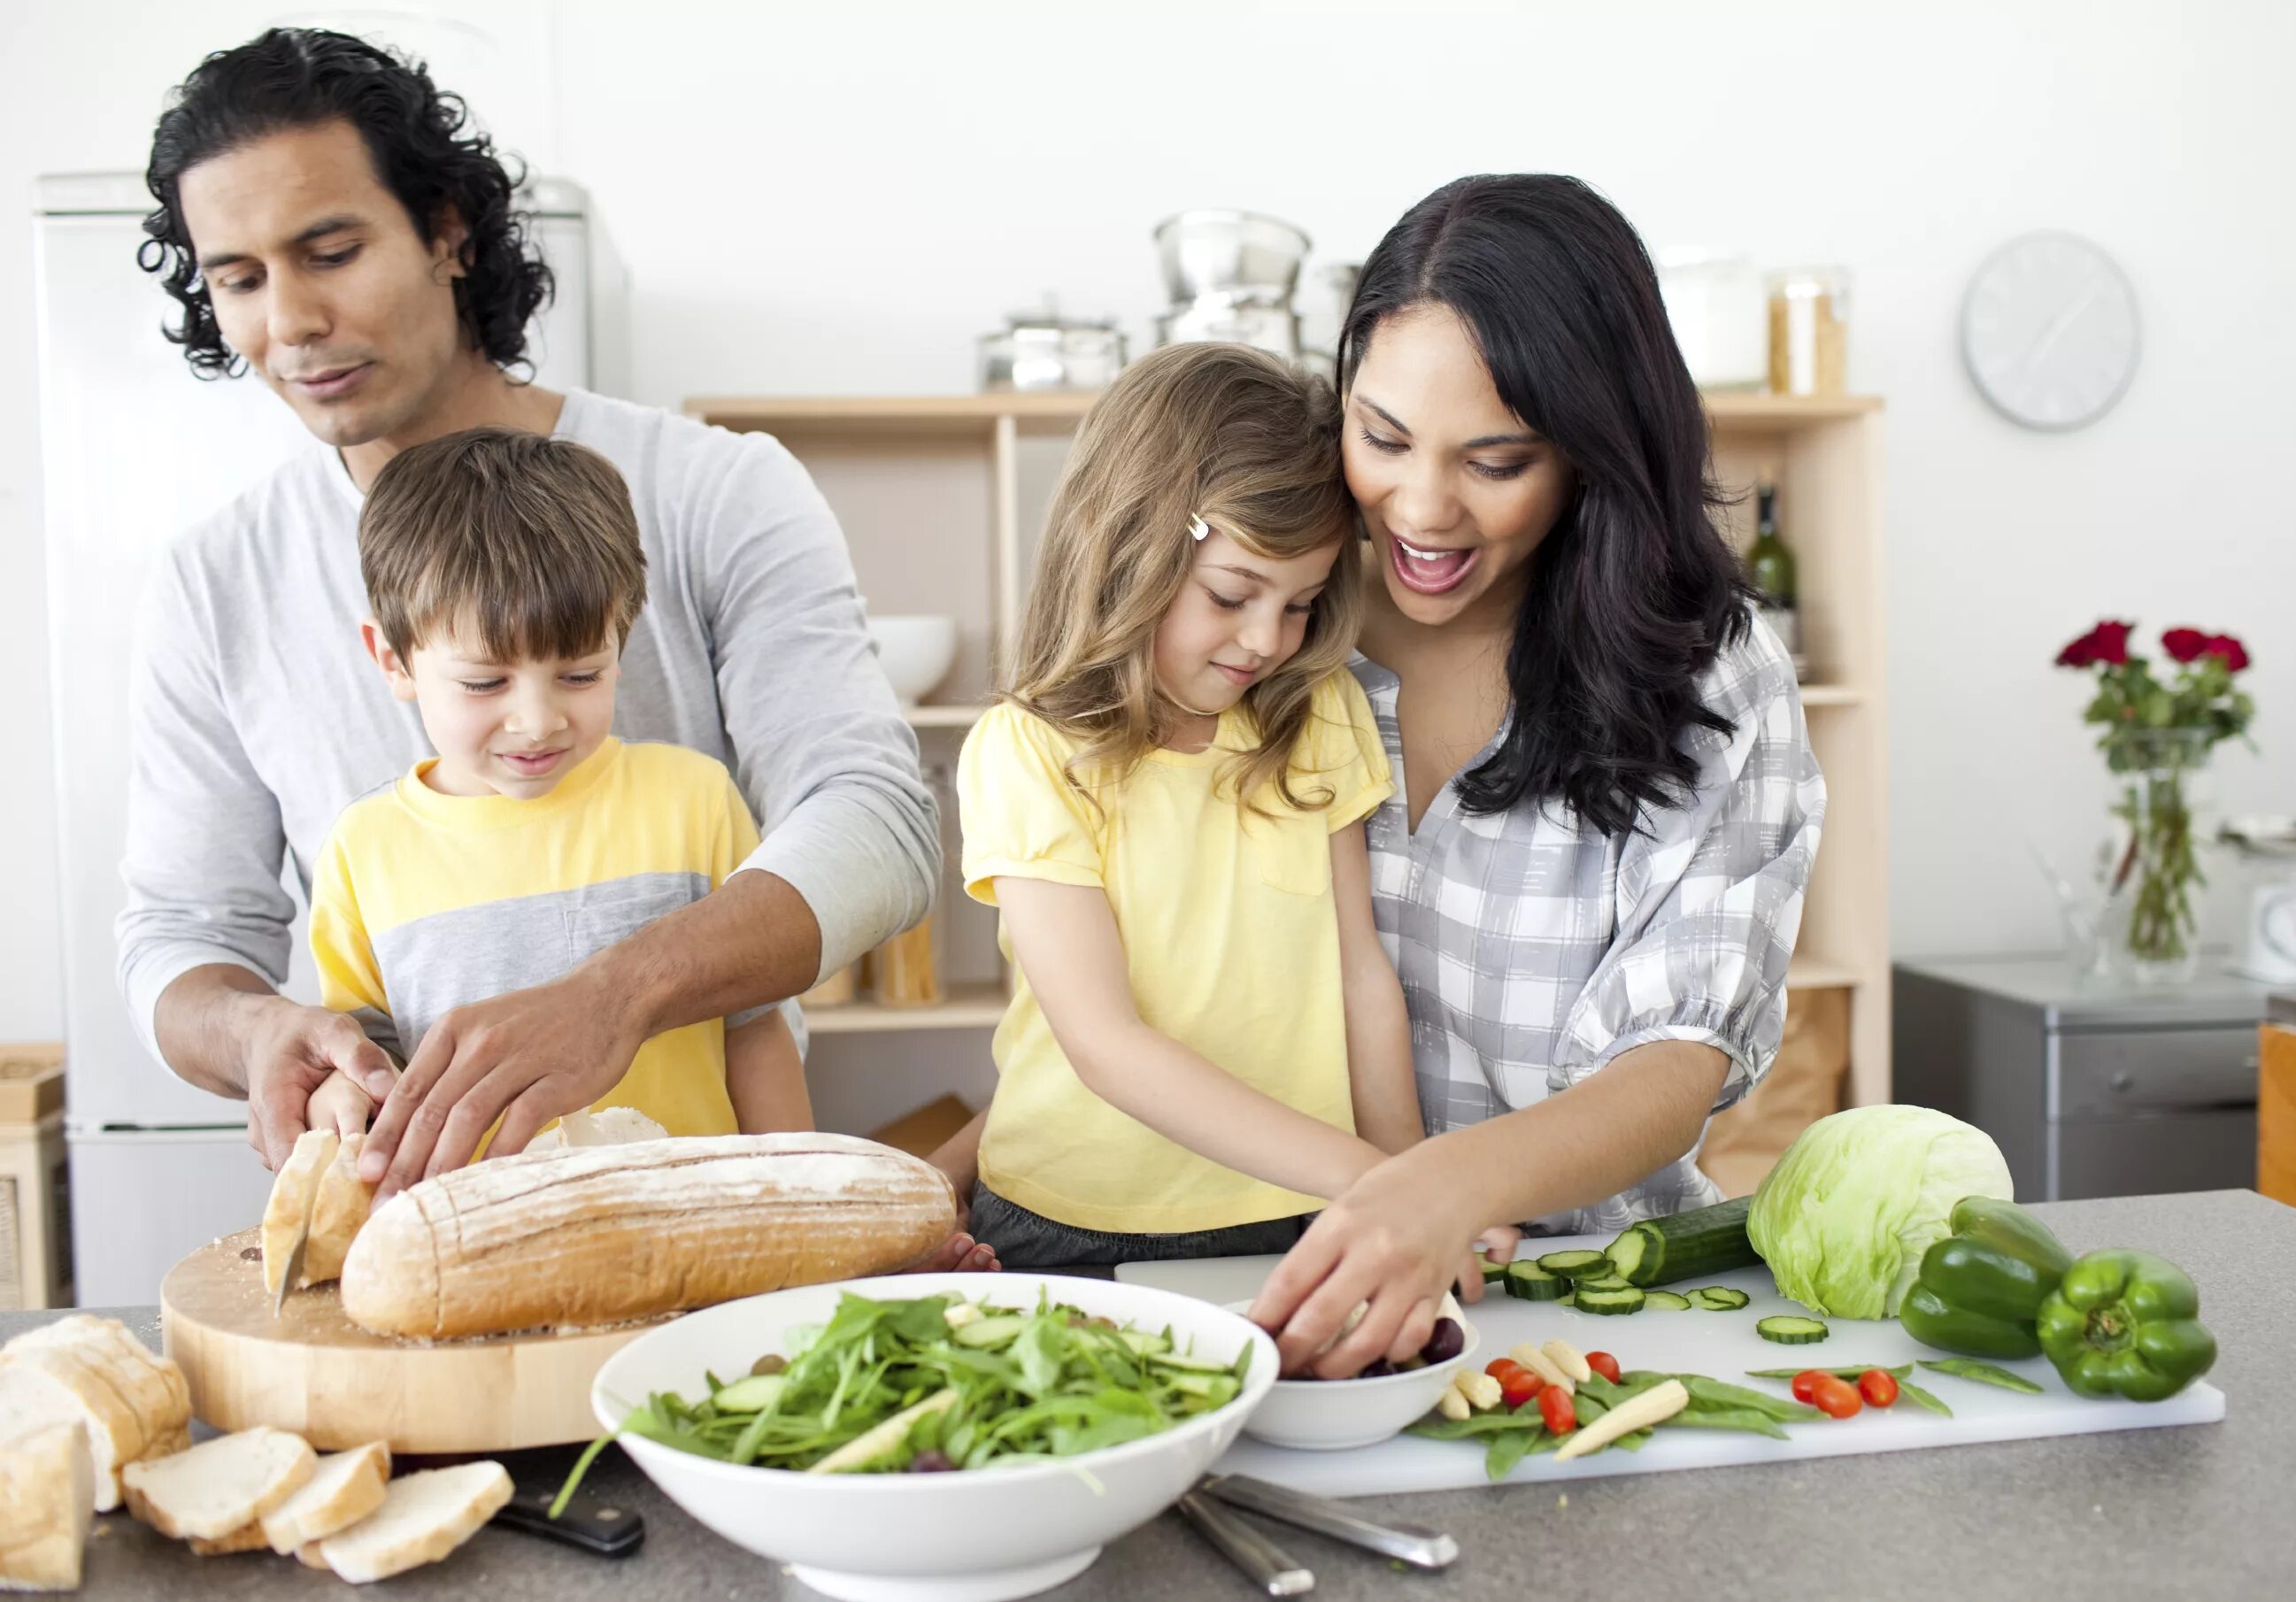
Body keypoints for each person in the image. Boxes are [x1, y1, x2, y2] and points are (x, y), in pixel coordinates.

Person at [119, 28, 944, 1205]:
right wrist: (255, 1032)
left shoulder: (717, 489)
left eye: (332, 250)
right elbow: (179, 931)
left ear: (448, 227)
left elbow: (876, 824)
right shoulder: (213, 584)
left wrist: (616, 997)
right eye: (240, 279)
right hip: (443, 1219)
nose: (290, 320)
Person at [1247, 174, 1827, 1375]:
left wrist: (1439, 1190)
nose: (1421, 507)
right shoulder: (1270, 629)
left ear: (1593, 448)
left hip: (1596, 1310)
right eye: (1382, 437)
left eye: (1495, 460)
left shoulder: (1710, 679)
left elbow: (1674, 1063)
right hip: (1275, 1290)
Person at [941, 343, 1445, 1268]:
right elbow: (1104, 1043)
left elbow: (1359, 974)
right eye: (1232, 594)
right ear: (1128, 548)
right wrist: (1369, 1178)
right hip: (1071, 1222)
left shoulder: (1314, 711)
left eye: (1298, 604)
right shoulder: (1028, 751)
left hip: (1301, 1209)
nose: (1266, 639)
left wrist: (1410, 1184)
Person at [304, 427, 810, 1148]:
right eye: (485, 682)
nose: (537, 723)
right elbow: (367, 1074)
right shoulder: (364, 850)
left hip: (699, 1232)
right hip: (479, 1244)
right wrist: (338, 1097)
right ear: (394, 660)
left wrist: (799, 1210)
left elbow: (756, 1034)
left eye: (580, 675)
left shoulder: (695, 800)